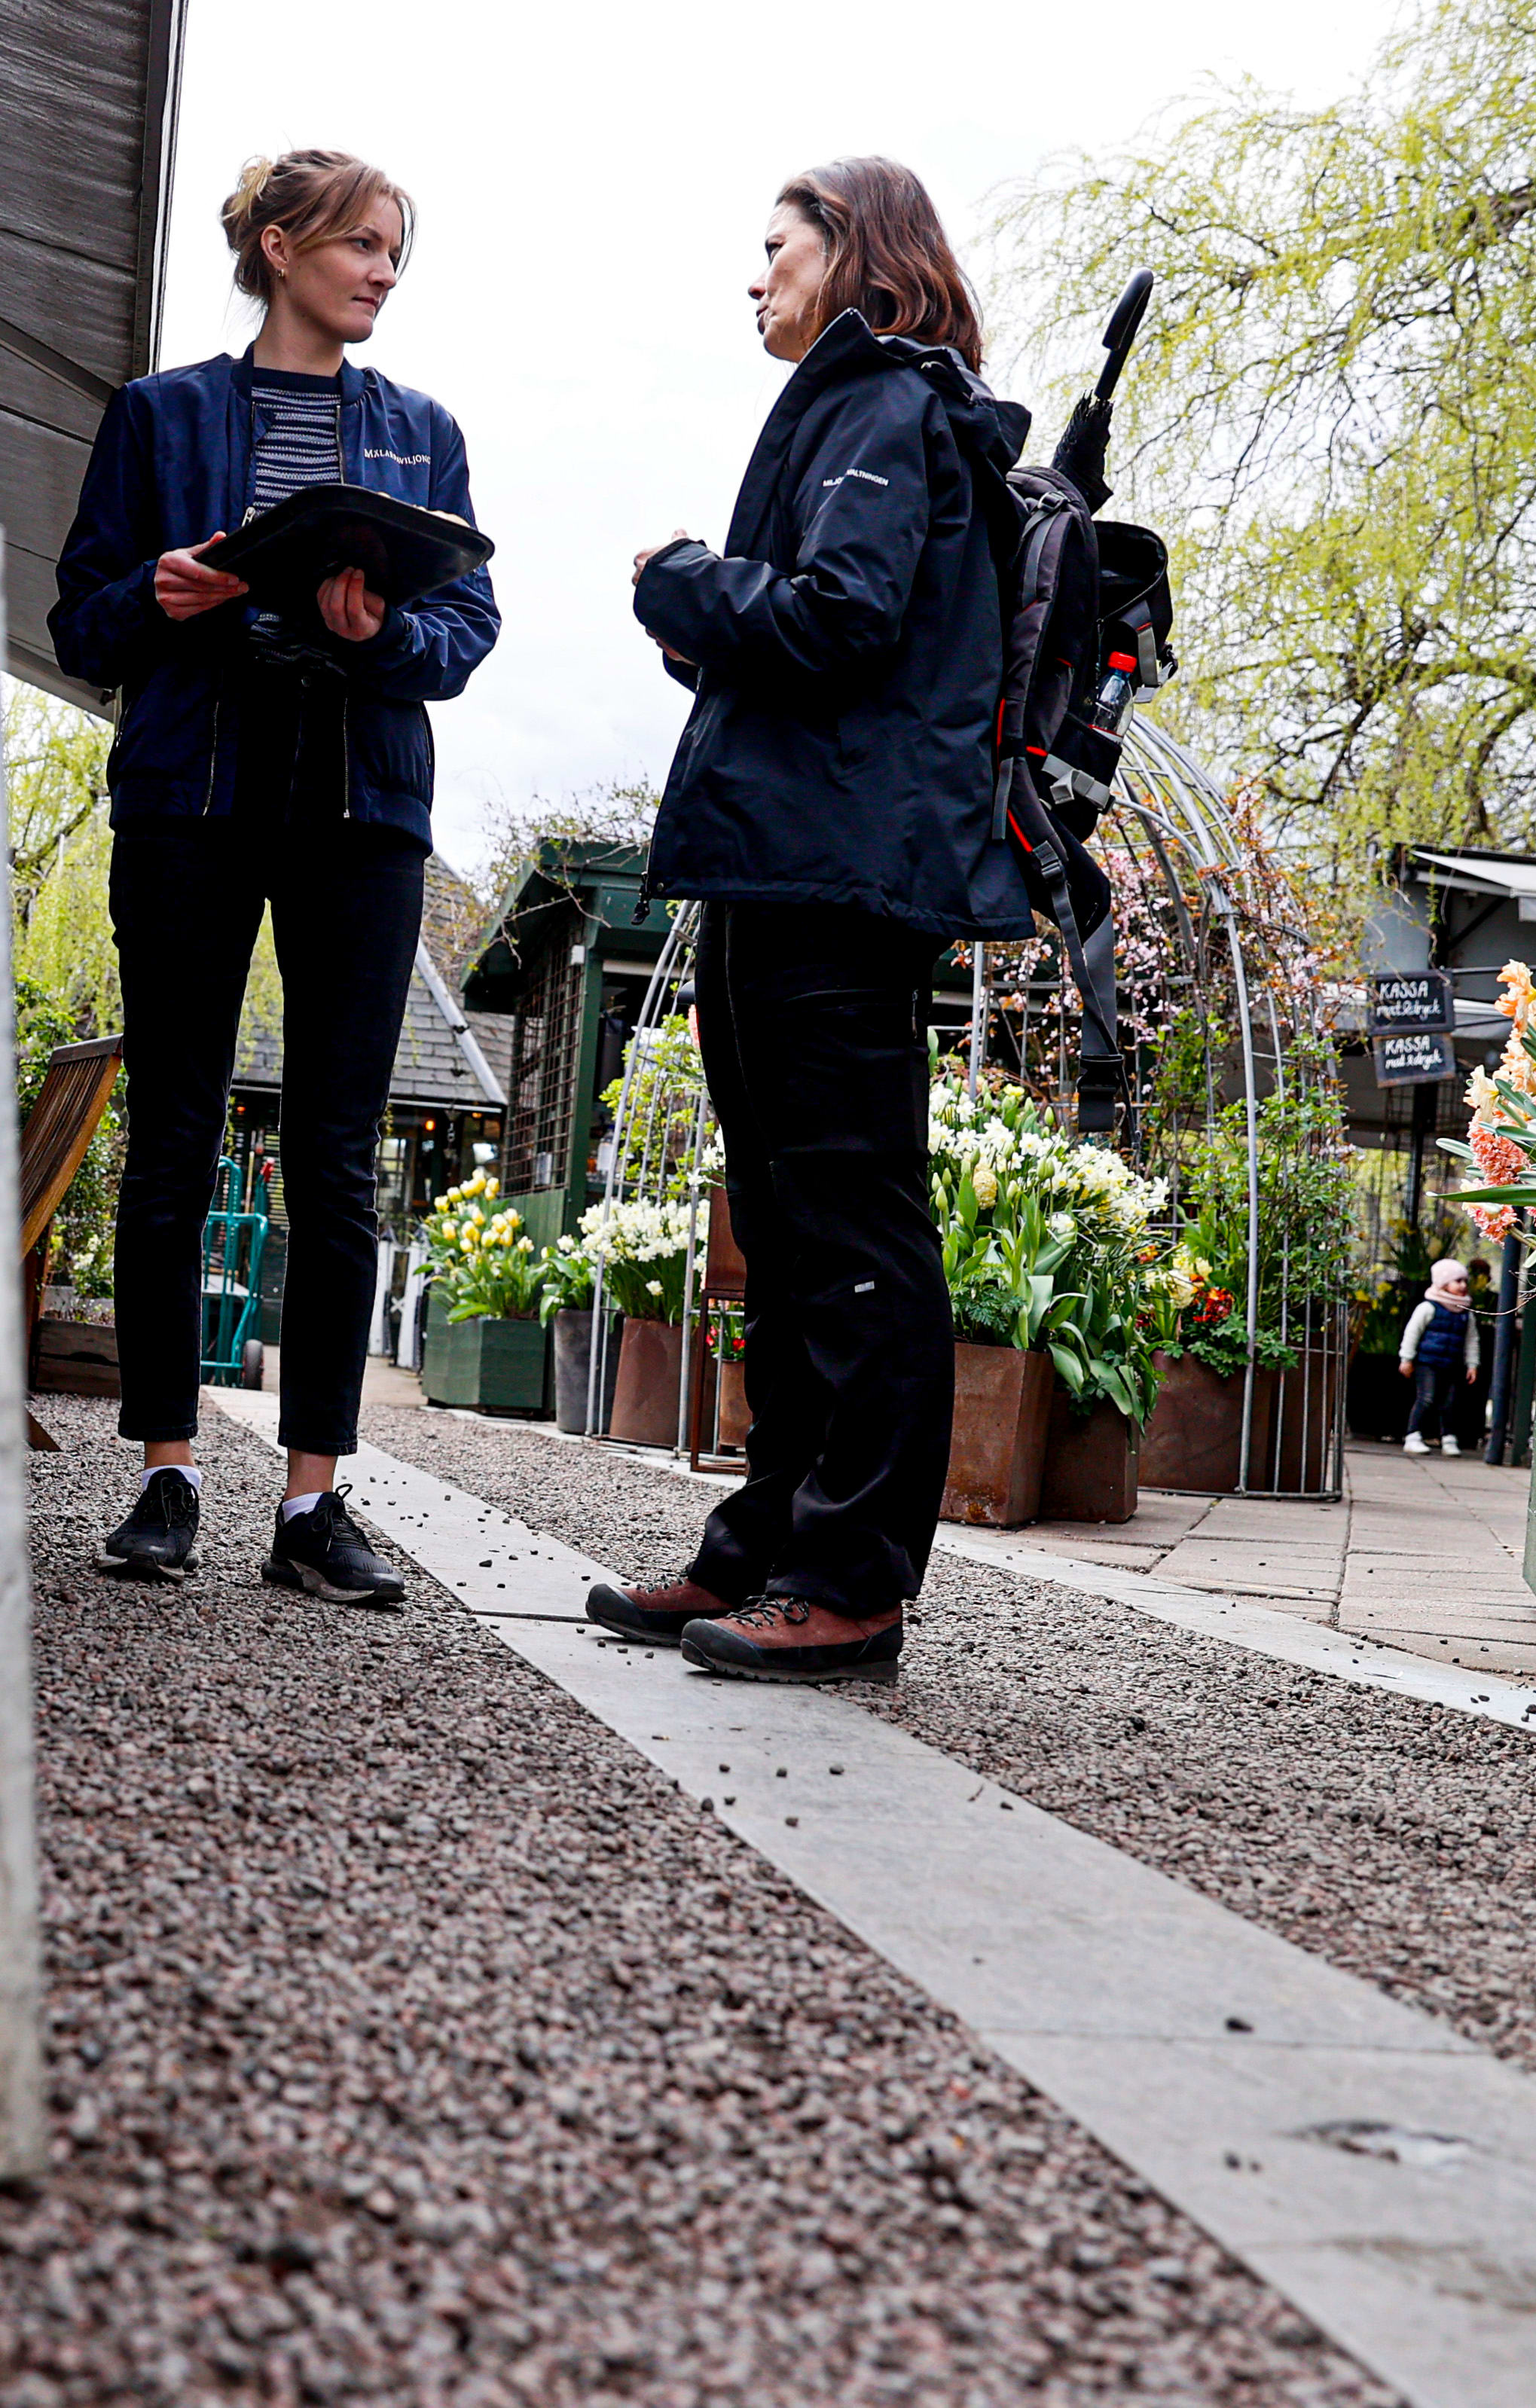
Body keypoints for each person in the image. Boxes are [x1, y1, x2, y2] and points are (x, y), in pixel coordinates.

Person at [581, 157, 1033, 1683]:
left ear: (855, 253)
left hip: (838, 876)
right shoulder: (863, 410)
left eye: (775, 247)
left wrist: (684, 583)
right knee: (780, 1231)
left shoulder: (885, 403)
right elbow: (846, 636)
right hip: (790, 861)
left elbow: (842, 616)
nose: (753, 275)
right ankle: (767, 1547)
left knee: (847, 1224)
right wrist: (710, 623)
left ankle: (850, 1578)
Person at [47, 151, 501, 1605]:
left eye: (395, 252)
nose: (381, 272)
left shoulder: (425, 432)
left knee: (337, 1153)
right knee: (175, 1136)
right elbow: (80, 621)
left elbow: (467, 631)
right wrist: (159, 592)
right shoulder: (158, 414)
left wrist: (379, 634)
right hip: (190, 800)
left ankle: (314, 1499)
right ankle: (166, 1474)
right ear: (281, 247)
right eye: (360, 244)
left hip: (361, 814)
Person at [1398, 1257, 1480, 1457]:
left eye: (1465, 1281)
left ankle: (1449, 1438)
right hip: (1428, 1363)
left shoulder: (1466, 1313)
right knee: (1426, 1398)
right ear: (1443, 1284)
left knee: (1450, 1403)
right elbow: (1412, 1333)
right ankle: (1413, 1436)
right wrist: (1406, 1358)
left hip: (1452, 1364)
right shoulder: (1428, 1308)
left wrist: (1472, 1364)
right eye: (1457, 1281)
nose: (1463, 1285)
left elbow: (1472, 1340)